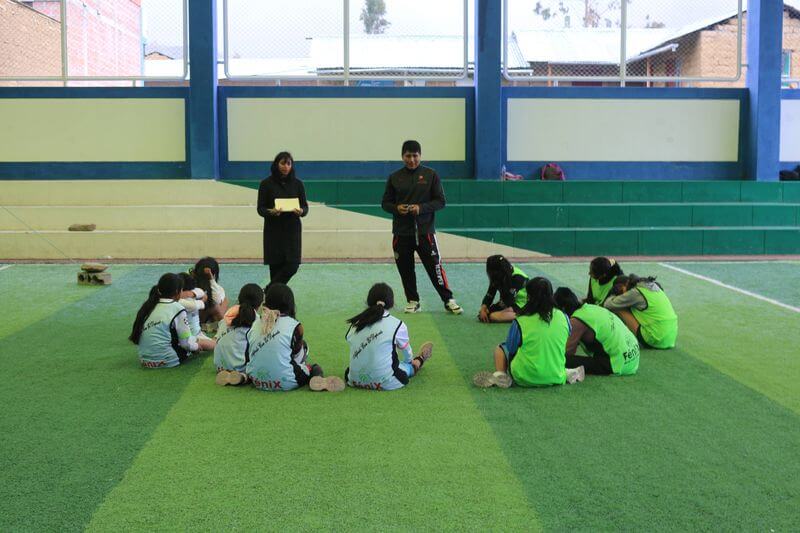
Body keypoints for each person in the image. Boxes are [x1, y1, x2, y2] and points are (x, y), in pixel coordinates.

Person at [381, 140, 462, 315]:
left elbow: (441, 201)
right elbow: (385, 203)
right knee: (405, 269)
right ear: (402, 156)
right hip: (401, 233)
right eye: (408, 156)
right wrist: (397, 208)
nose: (411, 160)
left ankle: (448, 299)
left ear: (420, 155)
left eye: (415, 156)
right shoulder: (394, 177)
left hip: (425, 232)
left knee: (435, 267)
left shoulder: (431, 174)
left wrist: (421, 208)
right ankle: (413, 300)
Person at [473, 277, 584, 388]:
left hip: (524, 378)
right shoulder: (564, 317)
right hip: (557, 377)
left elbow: (511, 348)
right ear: (551, 295)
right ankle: (564, 372)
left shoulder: (520, 320)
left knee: (501, 348)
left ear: (529, 296)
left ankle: (500, 374)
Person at [245, 283, 343, 392]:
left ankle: (242, 377)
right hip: (286, 381)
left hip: (256, 381)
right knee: (312, 364)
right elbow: (296, 354)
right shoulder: (294, 325)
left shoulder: (256, 321)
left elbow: (248, 352)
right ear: (290, 303)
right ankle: (317, 377)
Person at [345, 282, 433, 391]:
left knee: (352, 369)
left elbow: (350, 341)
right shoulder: (397, 324)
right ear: (391, 303)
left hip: (354, 380)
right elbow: (407, 352)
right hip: (387, 383)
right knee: (405, 367)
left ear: (368, 301)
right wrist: (409, 361)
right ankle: (419, 360)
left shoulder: (356, 323)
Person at [554, 287, 640, 376]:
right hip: (632, 359)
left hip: (616, 364)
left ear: (563, 309)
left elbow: (566, 352)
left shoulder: (576, 320)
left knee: (562, 360)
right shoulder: (591, 308)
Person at [257, 151, 309, 287]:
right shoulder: (265, 184)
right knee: (275, 268)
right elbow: (260, 209)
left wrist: (302, 211)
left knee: (293, 265)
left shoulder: (298, 184)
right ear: (276, 164)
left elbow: (305, 207)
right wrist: (271, 211)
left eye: (288, 163)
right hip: (273, 231)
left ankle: (266, 291)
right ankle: (274, 303)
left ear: (292, 166)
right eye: (282, 163)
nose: (285, 167)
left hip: (292, 231)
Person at [129, 273, 199, 369]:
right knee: (198, 341)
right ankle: (217, 344)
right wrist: (197, 347)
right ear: (177, 291)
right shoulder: (178, 308)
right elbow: (185, 343)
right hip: (168, 360)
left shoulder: (150, 305)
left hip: (145, 361)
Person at [604, 274, 678, 350]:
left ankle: (621, 337)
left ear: (623, 286)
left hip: (655, 339)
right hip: (670, 338)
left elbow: (608, 305)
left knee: (619, 308)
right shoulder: (653, 287)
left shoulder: (635, 293)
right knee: (633, 307)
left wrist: (612, 294)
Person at [214, 283, 263, 386]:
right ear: (260, 303)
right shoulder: (256, 319)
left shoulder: (228, 314)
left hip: (220, 366)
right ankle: (242, 377)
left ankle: (228, 374)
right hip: (240, 367)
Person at [478, 255, 529, 323]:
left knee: (493, 316)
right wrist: (483, 308)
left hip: (523, 304)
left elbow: (507, 301)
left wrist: (489, 310)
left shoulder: (517, 277)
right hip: (512, 303)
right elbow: (490, 294)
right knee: (491, 314)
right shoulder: (498, 276)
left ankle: (527, 315)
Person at [177, 273, 216, 352]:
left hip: (196, 334)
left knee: (216, 343)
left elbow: (200, 291)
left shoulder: (190, 296)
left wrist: (191, 294)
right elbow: (195, 305)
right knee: (217, 345)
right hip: (190, 337)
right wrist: (202, 300)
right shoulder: (181, 302)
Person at [190, 257, 228, 325]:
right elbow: (218, 301)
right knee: (222, 302)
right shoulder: (192, 287)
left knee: (217, 303)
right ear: (214, 274)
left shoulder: (189, 282)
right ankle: (221, 325)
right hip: (197, 317)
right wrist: (211, 279)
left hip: (198, 316)